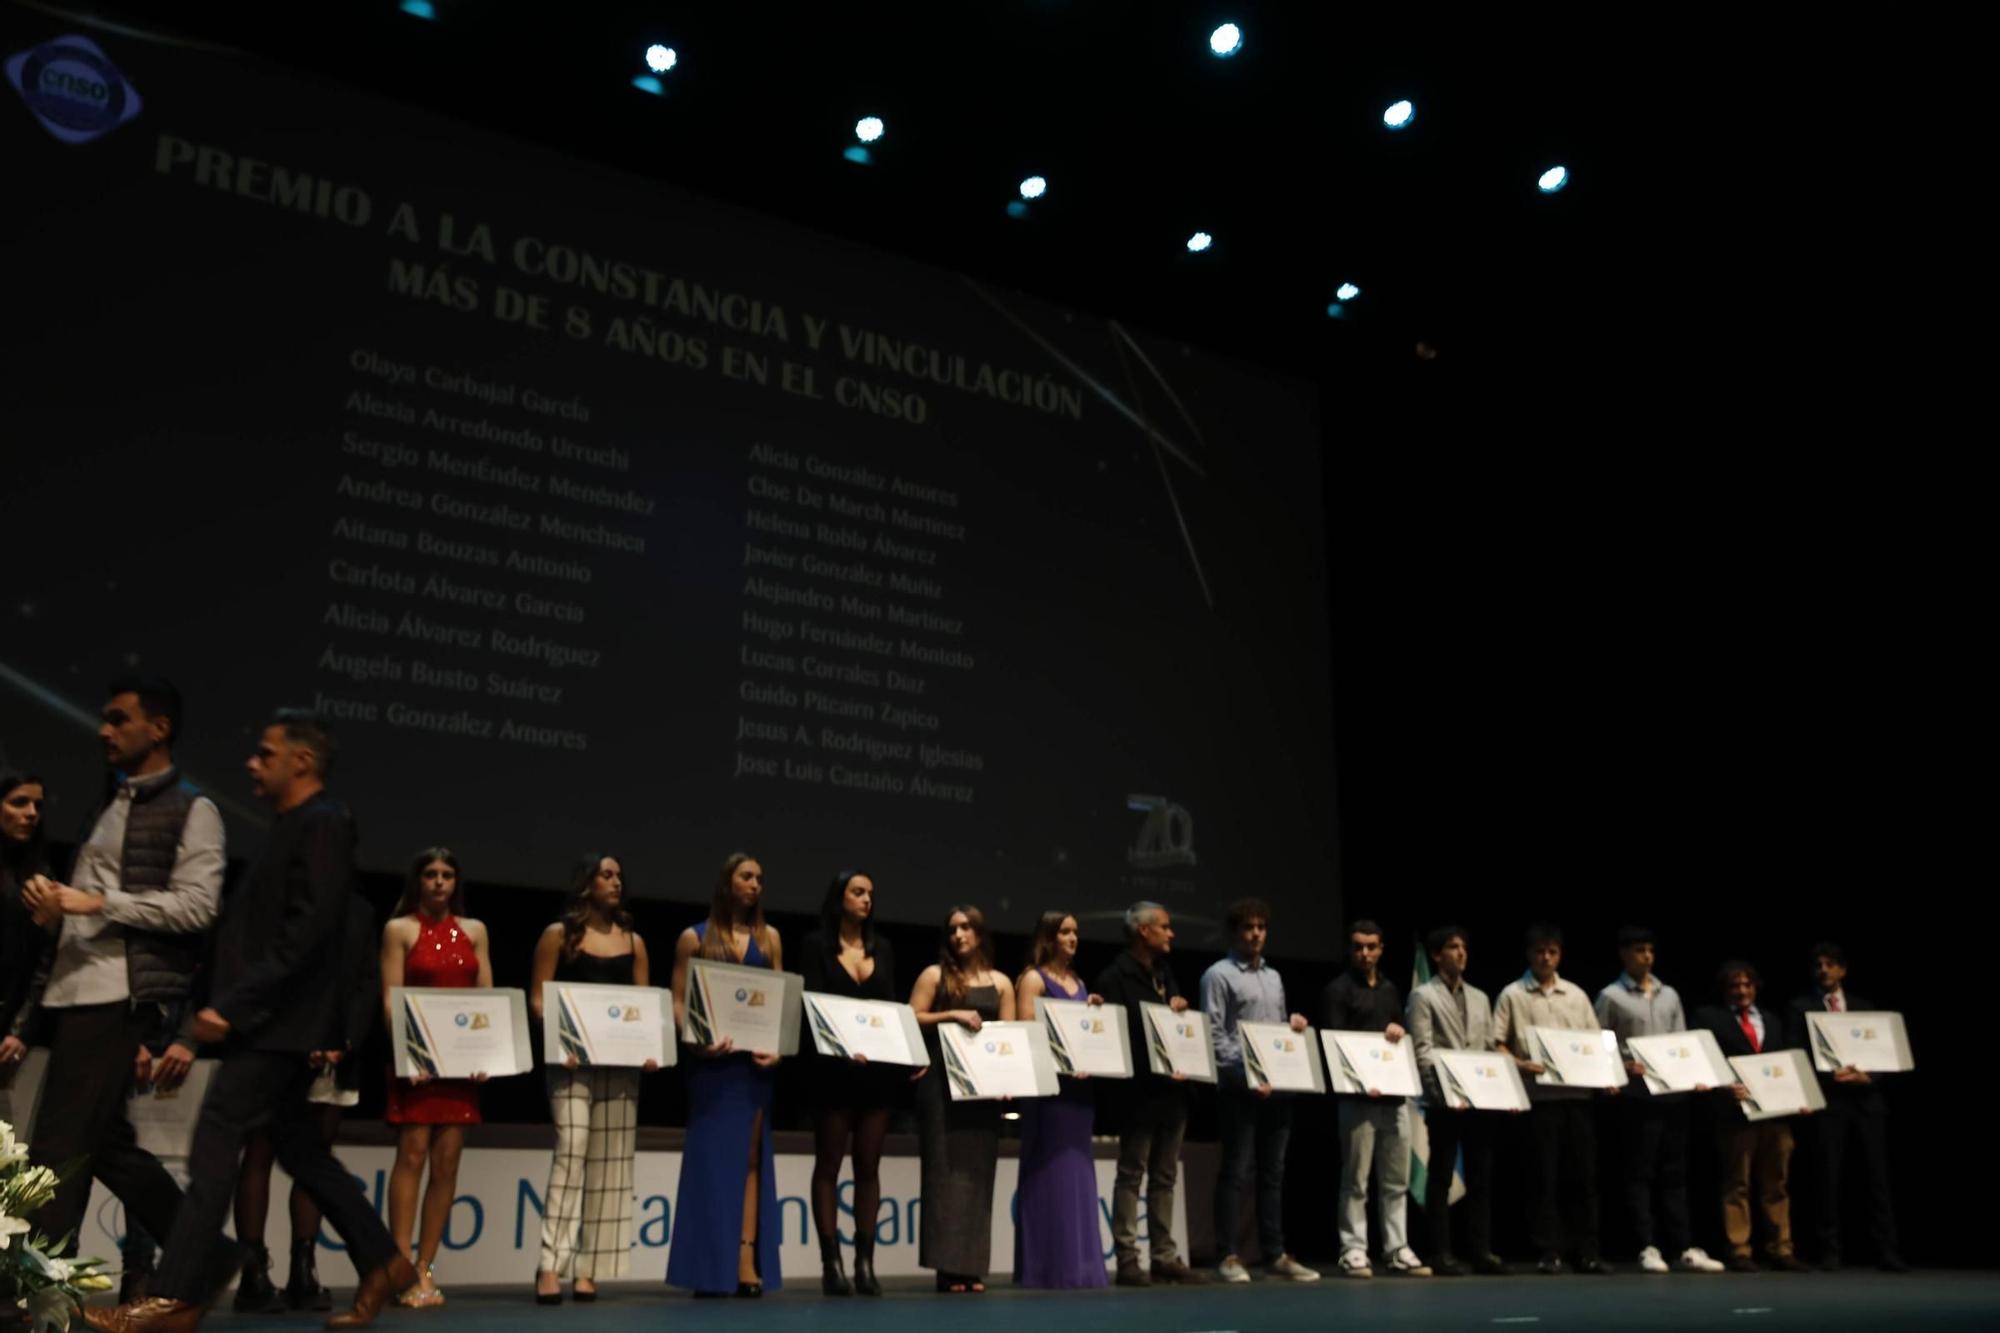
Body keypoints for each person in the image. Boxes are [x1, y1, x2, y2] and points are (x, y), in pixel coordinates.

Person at [83, 710, 415, 1333]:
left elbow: (308, 933)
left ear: (302, 762)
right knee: (301, 1151)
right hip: (272, 1023)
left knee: (214, 1145)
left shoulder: (324, 822)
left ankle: (177, 1296)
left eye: (265, 753)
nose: (251, 763)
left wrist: (231, 1009)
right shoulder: (294, 826)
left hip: (277, 1025)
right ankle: (386, 1260)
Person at [15, 678, 223, 1262]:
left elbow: (198, 906)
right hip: (77, 986)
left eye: (118, 719)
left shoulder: (194, 808)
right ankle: (205, 1250)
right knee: (100, 1142)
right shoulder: (112, 802)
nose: (104, 730)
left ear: (158, 729)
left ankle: (32, 1281)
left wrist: (100, 903)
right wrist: (56, 903)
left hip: (119, 990)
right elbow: (90, 900)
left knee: (59, 1144)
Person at [233, 892, 381, 1313]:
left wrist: (342, 1040)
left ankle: (304, 1270)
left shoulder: (359, 909)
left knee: (314, 1159)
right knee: (259, 1153)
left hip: (334, 1055)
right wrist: (298, 1039)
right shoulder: (274, 896)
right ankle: (253, 1274)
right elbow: (260, 974)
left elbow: (366, 982)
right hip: (276, 1049)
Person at [531, 853, 653, 1302]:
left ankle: (590, 1268)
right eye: (607, 875)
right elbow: (539, 1001)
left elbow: (645, 1010)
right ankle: (550, 1266)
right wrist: (560, 1041)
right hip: (571, 1065)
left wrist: (650, 1049)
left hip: (620, 1068)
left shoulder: (633, 941)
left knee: (610, 1164)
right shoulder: (559, 936)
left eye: (620, 875)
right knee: (572, 1149)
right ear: (586, 884)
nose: (616, 882)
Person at [381, 848, 493, 1307]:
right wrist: (413, 1054)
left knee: (447, 1163)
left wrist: (490, 1053)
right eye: (431, 874)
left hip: (459, 1066)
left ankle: (426, 1268)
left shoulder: (475, 931)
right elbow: (390, 1002)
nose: (439, 882)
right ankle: (399, 1265)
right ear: (418, 880)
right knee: (412, 1155)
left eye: (447, 875)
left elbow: (488, 1000)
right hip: (417, 1064)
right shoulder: (400, 929)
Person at [668, 853, 782, 1297]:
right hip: (711, 1066)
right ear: (726, 882)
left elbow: (778, 1000)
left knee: (751, 1160)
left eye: (760, 878)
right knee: (711, 1164)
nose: (755, 884)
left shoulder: (769, 938)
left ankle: (744, 1260)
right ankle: (708, 1265)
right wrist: (696, 1039)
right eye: (746, 876)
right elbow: (678, 1000)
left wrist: (777, 1051)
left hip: (752, 1068)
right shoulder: (693, 938)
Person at [1594, 926, 1725, 1275]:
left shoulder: (1669, 995)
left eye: (1650, 950)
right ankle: (1646, 1245)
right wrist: (1621, 1066)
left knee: (1676, 1172)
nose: (1647, 956)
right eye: (1639, 950)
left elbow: (1681, 1042)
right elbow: (1598, 1045)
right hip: (1637, 1098)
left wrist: (1695, 1072)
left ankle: (1682, 1246)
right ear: (1624, 954)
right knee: (1640, 1172)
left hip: (1674, 1096)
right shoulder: (1611, 996)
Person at [1202, 897, 1319, 1283]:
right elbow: (1215, 1035)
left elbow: (1275, 1035)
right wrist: (1250, 1073)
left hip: (1278, 1090)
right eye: (1248, 928)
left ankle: (1275, 1253)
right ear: (1235, 932)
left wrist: (1295, 1029)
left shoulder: (1274, 977)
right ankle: (1229, 1254)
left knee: (1273, 1173)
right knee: (1236, 1171)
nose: (1256, 934)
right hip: (1239, 1089)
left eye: (1261, 927)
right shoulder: (1218, 975)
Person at [798, 870, 899, 1297]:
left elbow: (890, 1010)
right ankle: (831, 1264)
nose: (866, 900)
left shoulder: (885, 949)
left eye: (871, 894)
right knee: (829, 1165)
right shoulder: (815, 946)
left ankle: (864, 1263)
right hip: (833, 1072)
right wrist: (843, 1048)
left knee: (869, 1168)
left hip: (875, 1074)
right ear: (839, 899)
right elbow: (812, 1007)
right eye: (858, 892)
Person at [1093, 901, 1204, 1287]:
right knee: (1131, 1174)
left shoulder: (1165, 974)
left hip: (1174, 1093)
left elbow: (1175, 1030)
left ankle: (1164, 1256)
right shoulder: (1115, 977)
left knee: (1165, 1176)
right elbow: (1117, 1040)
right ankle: (1127, 1258)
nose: (1171, 933)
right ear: (1144, 931)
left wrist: (1179, 1010)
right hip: (1138, 1095)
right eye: (1165, 926)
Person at [1492, 924, 1612, 1275]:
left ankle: (1587, 1251)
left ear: (1559, 955)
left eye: (1552, 951)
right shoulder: (1513, 994)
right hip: (1538, 1099)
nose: (1546, 957)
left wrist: (1607, 1074)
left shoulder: (1575, 995)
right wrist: (1520, 1064)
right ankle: (1549, 1250)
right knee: (1543, 1179)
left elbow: (1594, 1043)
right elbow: (1497, 1043)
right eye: (1540, 951)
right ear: (1529, 954)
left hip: (1577, 1098)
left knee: (1584, 1179)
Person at [909, 904, 1015, 1293]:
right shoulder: (934, 975)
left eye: (967, 927)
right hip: (939, 1086)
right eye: (953, 928)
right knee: (942, 1174)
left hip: (983, 1090)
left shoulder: (1002, 982)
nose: (959, 935)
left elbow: (1009, 1035)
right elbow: (911, 1016)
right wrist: (952, 1014)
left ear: (980, 933)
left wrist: (1008, 1079)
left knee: (977, 1177)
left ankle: (971, 1267)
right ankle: (946, 1267)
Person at [1319, 918, 1427, 1278]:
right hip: (1357, 1098)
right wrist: (1362, 1080)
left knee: (1395, 1179)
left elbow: (1399, 1033)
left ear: (1381, 950)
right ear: (1350, 950)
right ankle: (1354, 1249)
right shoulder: (1338, 990)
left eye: (1371, 947)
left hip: (1393, 1098)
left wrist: (1398, 1029)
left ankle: (1397, 1247)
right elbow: (1334, 1044)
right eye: (1358, 947)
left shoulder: (1390, 989)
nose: (1365, 953)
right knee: (1356, 1179)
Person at [1787, 942, 1904, 1272]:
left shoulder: (1864, 1007)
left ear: (1843, 969)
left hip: (1867, 1104)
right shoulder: (1802, 1007)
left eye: (1830, 964)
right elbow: (1799, 1054)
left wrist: (1869, 1077)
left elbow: (1884, 1052)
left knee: (1877, 1180)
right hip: (1830, 1102)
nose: (1824, 970)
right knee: (1827, 1179)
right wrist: (1830, 1077)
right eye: (1818, 965)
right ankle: (1830, 1250)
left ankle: (1886, 1250)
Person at [1013, 910, 1109, 1290]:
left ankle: (1080, 1266)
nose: (1073, 939)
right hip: (1049, 1093)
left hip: (1080, 1095)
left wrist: (1094, 1017)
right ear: (1049, 937)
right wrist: (1063, 1064)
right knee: (1048, 1172)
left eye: (1075, 932)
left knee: (1078, 1172)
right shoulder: (1033, 979)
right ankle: (1046, 1267)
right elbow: (1026, 1035)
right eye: (1065, 932)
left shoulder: (1080, 983)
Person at [1406, 926, 1509, 1277]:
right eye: (1453, 947)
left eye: (1464, 947)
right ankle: (1441, 1252)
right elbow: (1422, 1053)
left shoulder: (1480, 997)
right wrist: (1444, 1095)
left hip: (1479, 1102)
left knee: (1481, 1177)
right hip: (1443, 1102)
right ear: (1437, 956)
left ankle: (1481, 1251)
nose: (1461, 953)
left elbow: (1486, 1051)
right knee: (1440, 1178)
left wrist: (1499, 1091)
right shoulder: (1423, 995)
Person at [1694, 960, 1810, 1273]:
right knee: (1737, 1184)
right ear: (1725, 990)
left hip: (1775, 1113)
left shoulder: (1771, 1020)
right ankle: (1739, 1248)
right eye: (1735, 985)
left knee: (1777, 1183)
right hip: (1735, 1115)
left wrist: (1801, 1096)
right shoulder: (1711, 1019)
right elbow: (1703, 1062)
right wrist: (1723, 1088)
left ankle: (1781, 1248)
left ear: (1756, 988)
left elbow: (1786, 1063)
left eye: (1747, 985)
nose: (1742, 991)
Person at [0, 770, 53, 1126]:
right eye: (19, 802)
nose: (32, 812)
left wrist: (22, 1030)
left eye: (37, 804)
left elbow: (43, 961)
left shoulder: (38, 876)